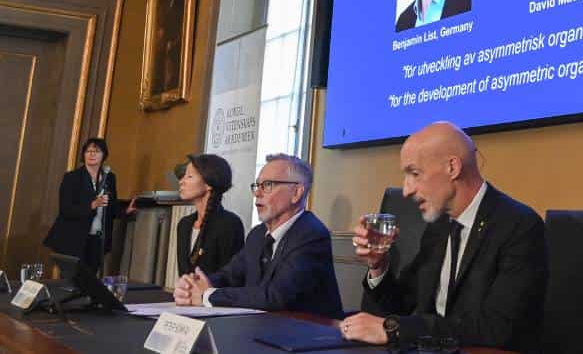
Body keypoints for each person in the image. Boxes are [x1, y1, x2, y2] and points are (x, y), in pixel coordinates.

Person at [339, 122, 546, 351]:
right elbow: (400, 306)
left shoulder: (519, 226)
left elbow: (496, 329)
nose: (406, 190)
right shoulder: (439, 228)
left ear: (452, 168)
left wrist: (396, 329)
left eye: (414, 173)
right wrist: (378, 266)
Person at [173, 154, 342, 318]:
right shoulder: (258, 234)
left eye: (267, 185)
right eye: (257, 186)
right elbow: (229, 275)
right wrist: (191, 285)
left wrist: (207, 295)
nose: (257, 193)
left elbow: (275, 296)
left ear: (296, 193)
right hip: (263, 331)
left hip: (309, 337)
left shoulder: (311, 234)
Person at [43, 137, 135, 271]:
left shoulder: (109, 177)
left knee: (90, 281)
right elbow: (66, 210)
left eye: (96, 151)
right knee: (73, 282)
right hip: (73, 239)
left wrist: (125, 211)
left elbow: (111, 206)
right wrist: (92, 205)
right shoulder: (72, 177)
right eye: (88, 151)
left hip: (97, 240)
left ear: (104, 155)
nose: (92, 154)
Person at [175, 153, 245, 276]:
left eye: (189, 176)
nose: (181, 182)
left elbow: (231, 278)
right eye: (183, 176)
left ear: (208, 183)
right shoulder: (184, 224)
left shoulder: (229, 224)